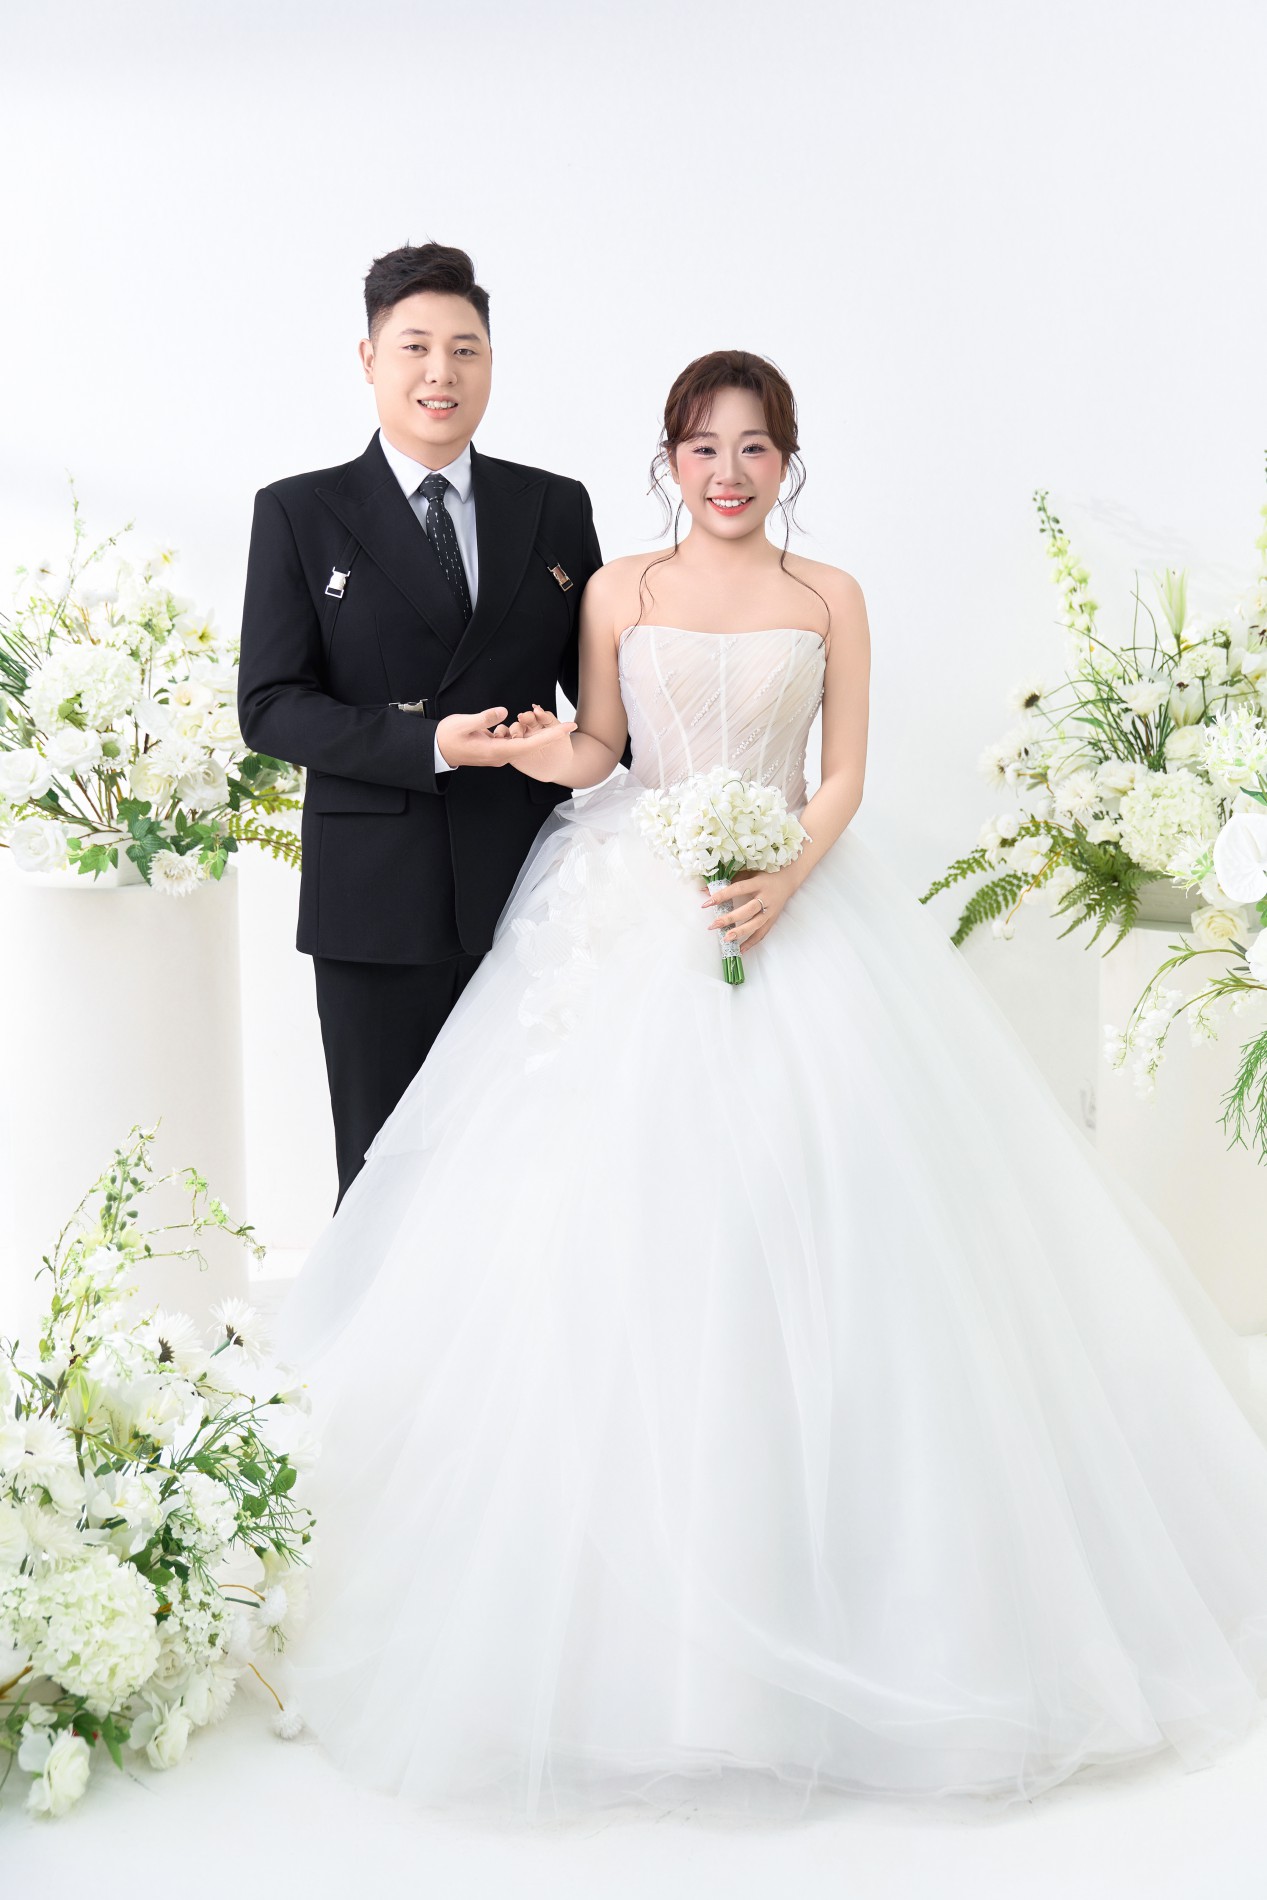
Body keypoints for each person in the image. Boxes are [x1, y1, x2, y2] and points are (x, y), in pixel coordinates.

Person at [270, 350, 1267, 1826]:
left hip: (796, 904)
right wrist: (545, 755)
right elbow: (603, 751)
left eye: (753, 448)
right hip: (632, 904)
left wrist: (783, 875)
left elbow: (840, 774)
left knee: (839, 1207)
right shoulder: (615, 588)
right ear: (667, 459)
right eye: (701, 447)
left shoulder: (831, 595)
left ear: (785, 462)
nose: (726, 473)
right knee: (609, 1222)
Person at [237, 242, 609, 1206]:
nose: (441, 372)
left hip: (529, 887)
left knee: (527, 1175)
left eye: (465, 349)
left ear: (490, 361)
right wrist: (428, 744)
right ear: (369, 359)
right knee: (381, 1172)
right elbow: (269, 705)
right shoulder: (299, 512)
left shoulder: (554, 506)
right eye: (414, 347)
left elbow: (606, 705)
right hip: (373, 895)